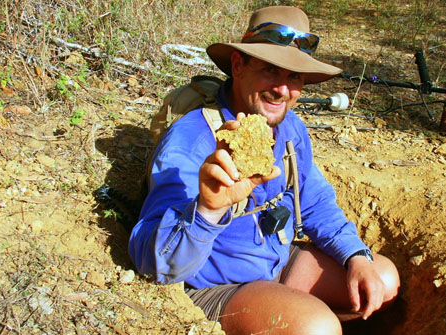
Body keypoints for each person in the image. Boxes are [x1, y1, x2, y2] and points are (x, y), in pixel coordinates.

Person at [129, 5, 400, 335]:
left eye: (294, 77)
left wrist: (355, 255)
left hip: (276, 260)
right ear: (238, 65)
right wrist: (207, 211)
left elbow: (313, 200)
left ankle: (288, 311)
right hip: (217, 285)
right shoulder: (192, 140)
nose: (282, 90)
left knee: (382, 278)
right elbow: (153, 262)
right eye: (271, 71)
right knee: (316, 328)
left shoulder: (290, 129)